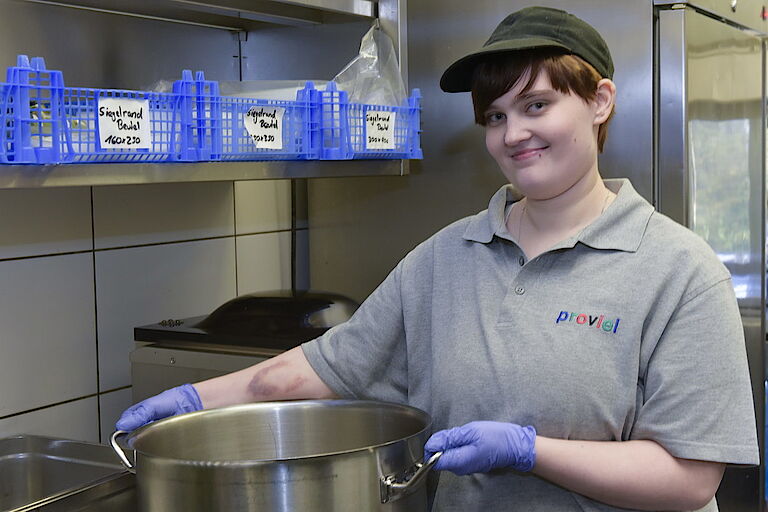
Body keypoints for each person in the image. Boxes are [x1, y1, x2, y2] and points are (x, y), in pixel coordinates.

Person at [117, 6, 759, 511]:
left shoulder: (679, 271)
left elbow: (689, 478)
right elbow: (316, 370)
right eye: (494, 116)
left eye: (536, 105)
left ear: (600, 101)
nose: (513, 135)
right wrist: (191, 402)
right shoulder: (444, 257)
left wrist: (529, 451)